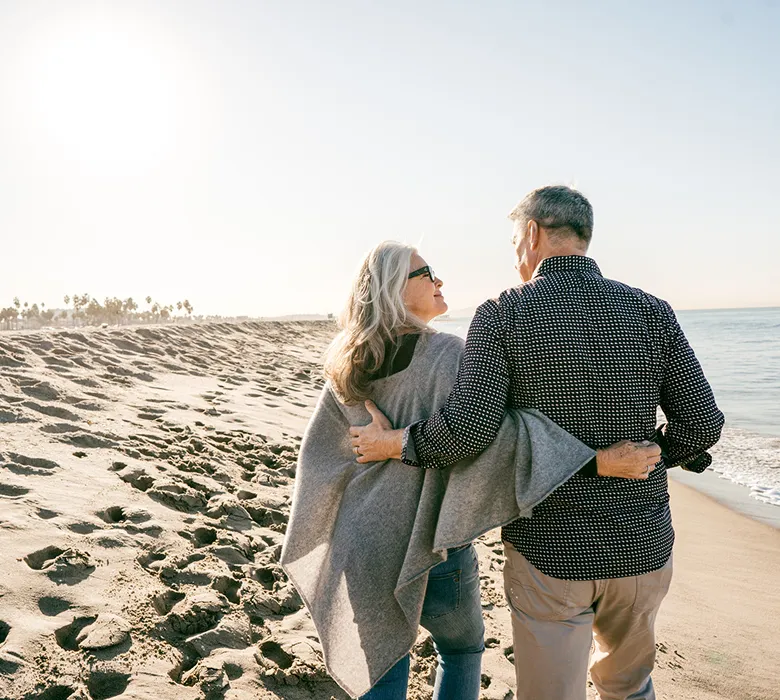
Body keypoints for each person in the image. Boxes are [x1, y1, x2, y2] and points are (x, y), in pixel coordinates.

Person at [351, 186, 725, 700]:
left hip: (551, 548)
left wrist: (394, 442)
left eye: (513, 243)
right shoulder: (651, 310)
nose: (515, 257)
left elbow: (466, 433)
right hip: (643, 543)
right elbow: (703, 424)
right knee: (631, 688)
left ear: (531, 234)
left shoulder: (503, 313)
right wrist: (656, 452)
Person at [281, 240, 661, 700]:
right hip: (434, 544)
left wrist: (373, 461)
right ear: (393, 289)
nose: (438, 280)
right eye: (425, 274)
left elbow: (320, 457)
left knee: (381, 665)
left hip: (362, 544)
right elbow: (495, 439)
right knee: (461, 649)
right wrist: (596, 459)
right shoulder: (449, 355)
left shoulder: (346, 361)